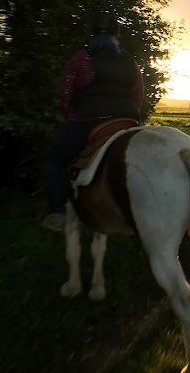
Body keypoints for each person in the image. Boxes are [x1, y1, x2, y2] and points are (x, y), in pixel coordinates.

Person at [41, 12, 144, 231]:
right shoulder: (129, 61)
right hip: (126, 120)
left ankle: (58, 212)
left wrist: (71, 116)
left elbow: (65, 92)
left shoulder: (82, 58)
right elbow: (138, 92)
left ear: (92, 35)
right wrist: (133, 113)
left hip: (89, 120)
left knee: (54, 160)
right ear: (117, 36)